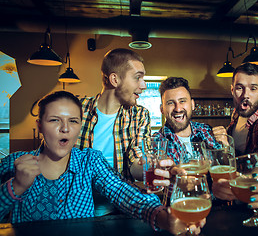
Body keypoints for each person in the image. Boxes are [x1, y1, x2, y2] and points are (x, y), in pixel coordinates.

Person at [0, 91, 205, 235]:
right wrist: (15, 187)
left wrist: (162, 216)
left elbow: (123, 192)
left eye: (73, 121)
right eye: (54, 120)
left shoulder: (89, 161)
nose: (65, 129)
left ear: (80, 126)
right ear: (40, 125)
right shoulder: (13, 164)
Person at [75, 48, 149, 180]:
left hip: (119, 197)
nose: (144, 85)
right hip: (77, 197)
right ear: (114, 79)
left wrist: (149, 167)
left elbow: (136, 159)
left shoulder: (140, 115)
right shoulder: (77, 109)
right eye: (138, 77)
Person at [212, 63, 258, 172]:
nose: (245, 95)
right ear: (232, 90)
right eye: (239, 88)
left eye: (253, 89)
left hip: (254, 186)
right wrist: (226, 146)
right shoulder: (236, 113)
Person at [152, 77, 219, 164]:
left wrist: (226, 148)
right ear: (162, 109)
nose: (178, 109)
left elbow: (224, 165)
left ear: (192, 105)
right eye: (170, 103)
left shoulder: (206, 130)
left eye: (182, 101)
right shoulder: (157, 142)